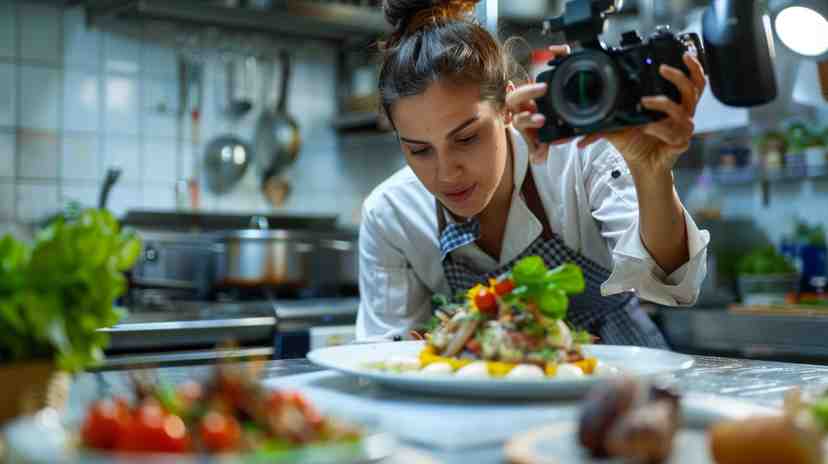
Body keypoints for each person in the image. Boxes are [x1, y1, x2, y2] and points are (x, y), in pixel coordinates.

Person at [356, 0, 710, 348]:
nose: (447, 173)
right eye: (419, 150)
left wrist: (652, 172)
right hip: (493, 386)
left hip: (619, 373)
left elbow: (670, 283)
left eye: (466, 138)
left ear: (507, 107)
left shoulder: (579, 156)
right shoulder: (391, 215)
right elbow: (389, 352)